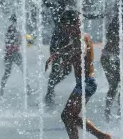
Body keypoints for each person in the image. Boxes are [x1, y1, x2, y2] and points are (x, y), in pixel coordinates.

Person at [45, 10, 111, 139]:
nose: (63, 28)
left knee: (67, 115)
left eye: (64, 25)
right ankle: (102, 136)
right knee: (70, 116)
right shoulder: (77, 36)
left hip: (87, 83)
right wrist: (57, 54)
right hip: (83, 83)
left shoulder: (81, 37)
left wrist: (65, 59)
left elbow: (79, 49)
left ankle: (102, 136)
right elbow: (72, 46)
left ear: (72, 24)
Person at [43, 0, 104, 106]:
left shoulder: (69, 11)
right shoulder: (54, 8)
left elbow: (83, 16)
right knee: (56, 69)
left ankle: (51, 88)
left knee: (66, 70)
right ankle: (49, 92)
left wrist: (98, 15)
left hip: (66, 41)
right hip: (57, 42)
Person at [0, 14, 34, 96]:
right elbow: (15, 40)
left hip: (9, 54)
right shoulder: (14, 28)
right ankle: (28, 89)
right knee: (24, 71)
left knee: (7, 73)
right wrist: (28, 40)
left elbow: (10, 41)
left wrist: (26, 40)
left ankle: (1, 90)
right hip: (14, 53)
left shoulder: (11, 28)